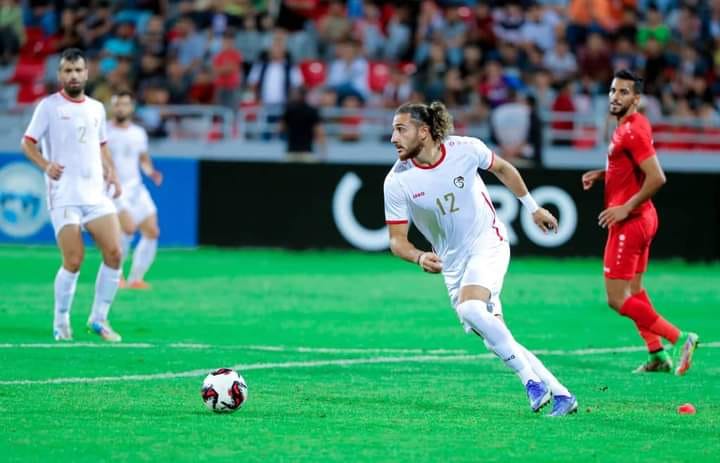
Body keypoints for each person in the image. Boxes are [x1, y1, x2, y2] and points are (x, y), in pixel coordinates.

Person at [384, 101, 577, 417]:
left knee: (471, 308)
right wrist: (419, 257)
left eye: (400, 129)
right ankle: (562, 395)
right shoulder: (397, 181)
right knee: (493, 333)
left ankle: (531, 382)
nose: (393, 138)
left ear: (424, 131)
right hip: (452, 265)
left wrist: (533, 208)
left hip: (488, 243)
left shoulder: (465, 149)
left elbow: (503, 168)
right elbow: (396, 241)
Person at [581, 69, 699, 375]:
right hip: (644, 218)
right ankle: (657, 355)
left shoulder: (631, 131)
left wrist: (625, 208)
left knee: (616, 299)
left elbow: (657, 177)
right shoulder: (632, 125)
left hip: (631, 222)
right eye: (613, 90)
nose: (615, 97)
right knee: (634, 289)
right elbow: (633, 167)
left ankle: (680, 338)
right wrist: (604, 175)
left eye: (623, 92)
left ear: (636, 98)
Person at [20, 48, 123, 342]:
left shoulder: (97, 108)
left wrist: (112, 171)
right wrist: (46, 165)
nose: (74, 75)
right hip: (64, 195)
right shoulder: (48, 107)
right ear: (60, 75)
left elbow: (101, 145)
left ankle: (99, 319)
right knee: (74, 260)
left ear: (86, 73)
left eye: (78, 70)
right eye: (68, 71)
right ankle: (61, 320)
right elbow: (27, 143)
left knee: (115, 253)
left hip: (95, 195)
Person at [107, 91, 163, 289]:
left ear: (131, 108)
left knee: (152, 231)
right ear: (112, 107)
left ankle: (136, 278)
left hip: (136, 187)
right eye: (117, 104)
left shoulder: (138, 133)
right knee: (128, 228)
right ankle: (116, 275)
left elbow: (143, 159)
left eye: (125, 104)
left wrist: (151, 172)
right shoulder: (104, 131)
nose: (121, 108)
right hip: (114, 189)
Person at [279, 87, 326, 162]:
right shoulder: (312, 111)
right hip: (307, 152)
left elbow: (280, 128)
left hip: (292, 151)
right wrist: (323, 154)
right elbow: (319, 132)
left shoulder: (289, 110)